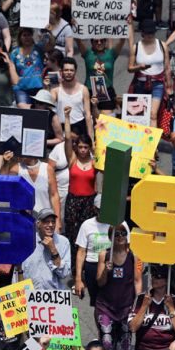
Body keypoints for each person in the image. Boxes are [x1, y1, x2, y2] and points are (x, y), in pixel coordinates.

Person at [97, 222, 142, 350]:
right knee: (107, 342)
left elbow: (137, 280)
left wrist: (137, 305)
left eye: (123, 234)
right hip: (106, 307)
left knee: (125, 343)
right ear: (111, 237)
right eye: (116, 234)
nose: (120, 237)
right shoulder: (104, 254)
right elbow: (100, 282)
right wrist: (106, 270)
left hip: (126, 307)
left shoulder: (134, 255)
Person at [129, 264, 175, 350]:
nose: (154, 279)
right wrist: (144, 306)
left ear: (167, 280)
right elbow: (133, 327)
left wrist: (171, 308)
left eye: (158, 276)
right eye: (153, 275)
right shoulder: (141, 299)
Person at [62, 106, 97, 249]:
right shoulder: (72, 159)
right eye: (80, 147)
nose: (82, 150)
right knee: (72, 234)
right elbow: (68, 138)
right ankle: (73, 265)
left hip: (89, 202)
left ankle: (86, 265)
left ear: (90, 148)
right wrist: (67, 117)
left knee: (87, 235)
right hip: (73, 201)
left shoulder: (95, 162)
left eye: (85, 147)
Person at [128, 20, 173, 128]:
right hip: (141, 83)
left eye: (151, 33)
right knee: (140, 115)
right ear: (142, 33)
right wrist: (139, 67)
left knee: (153, 114)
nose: (149, 36)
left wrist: (169, 86)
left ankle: (152, 143)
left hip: (158, 83)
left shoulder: (162, 46)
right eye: (147, 33)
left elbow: (167, 67)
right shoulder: (136, 47)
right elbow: (130, 68)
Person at [2, 150, 62, 223]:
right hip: (23, 219)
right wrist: (6, 163)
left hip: (44, 220)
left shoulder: (47, 168)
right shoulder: (16, 169)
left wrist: (58, 220)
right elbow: (4, 186)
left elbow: (54, 195)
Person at [20, 208, 72, 289]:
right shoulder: (27, 240)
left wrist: (53, 250)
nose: (51, 225)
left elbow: (64, 274)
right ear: (38, 224)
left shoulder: (63, 242)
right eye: (46, 222)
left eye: (53, 222)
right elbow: (19, 269)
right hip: (28, 293)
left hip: (52, 295)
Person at [73, 197, 110, 305]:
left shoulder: (118, 223)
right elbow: (81, 252)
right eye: (100, 210)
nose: (103, 213)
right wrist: (78, 279)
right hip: (92, 266)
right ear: (95, 209)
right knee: (97, 303)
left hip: (110, 266)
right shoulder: (87, 225)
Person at [77, 35, 126, 116]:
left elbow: (122, 41)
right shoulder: (87, 53)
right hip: (90, 90)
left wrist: (127, 25)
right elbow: (78, 40)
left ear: (105, 41)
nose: (99, 43)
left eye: (102, 41)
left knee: (106, 118)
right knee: (90, 117)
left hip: (107, 90)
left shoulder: (111, 54)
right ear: (91, 43)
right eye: (96, 41)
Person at [11, 27, 56, 108]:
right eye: (24, 35)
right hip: (21, 88)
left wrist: (50, 32)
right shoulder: (14, 53)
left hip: (39, 86)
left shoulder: (39, 48)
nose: (27, 37)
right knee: (23, 109)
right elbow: (11, 70)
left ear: (32, 36)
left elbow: (51, 45)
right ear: (20, 37)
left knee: (40, 110)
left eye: (29, 35)